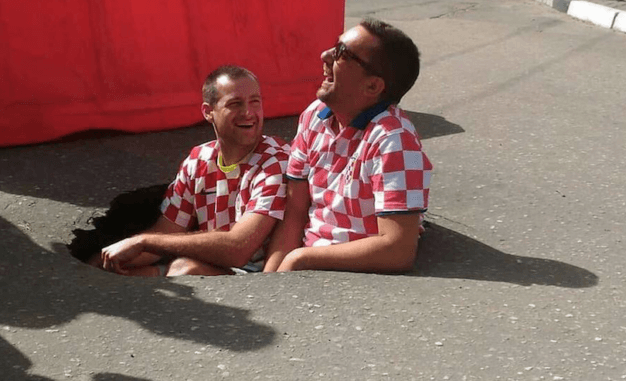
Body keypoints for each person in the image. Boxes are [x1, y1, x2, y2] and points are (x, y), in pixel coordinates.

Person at [264, 19, 433, 274]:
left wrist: (302, 259)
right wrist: (270, 280)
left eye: (342, 53)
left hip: (352, 276)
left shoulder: (395, 140)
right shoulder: (314, 115)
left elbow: (398, 249)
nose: (325, 55)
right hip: (306, 264)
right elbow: (295, 212)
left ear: (372, 86)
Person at [97, 66, 290, 277]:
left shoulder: (276, 160)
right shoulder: (198, 160)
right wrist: (102, 262)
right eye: (235, 104)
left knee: (184, 268)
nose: (249, 113)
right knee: (118, 269)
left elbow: (238, 249)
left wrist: (143, 242)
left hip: (264, 280)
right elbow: (167, 232)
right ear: (208, 112)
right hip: (220, 268)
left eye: (255, 101)